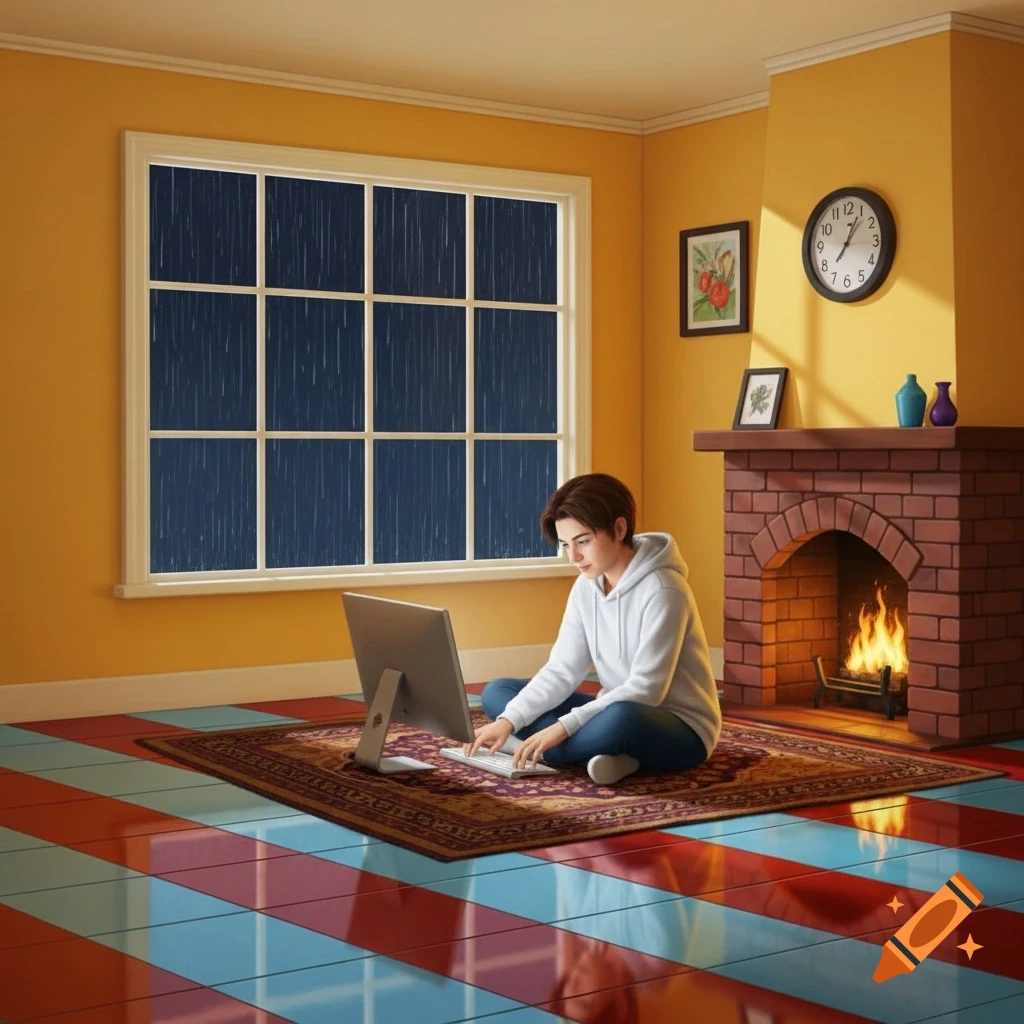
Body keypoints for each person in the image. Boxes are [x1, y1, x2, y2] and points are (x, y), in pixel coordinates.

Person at [465, 472, 721, 785]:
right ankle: (608, 757)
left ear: (619, 528)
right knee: (500, 692)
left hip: (676, 728)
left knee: (620, 720)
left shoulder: (665, 590)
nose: (573, 557)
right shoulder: (586, 586)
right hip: (613, 707)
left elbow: (646, 690)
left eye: (583, 541)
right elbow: (562, 670)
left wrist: (561, 728)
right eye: (565, 544)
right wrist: (509, 720)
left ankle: (537, 748)